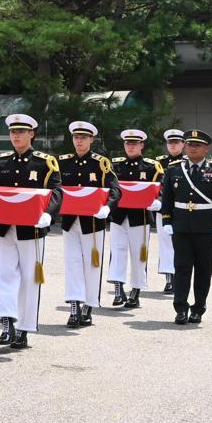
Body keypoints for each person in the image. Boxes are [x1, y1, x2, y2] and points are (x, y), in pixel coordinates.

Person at [0, 114, 63, 349]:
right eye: (12, 132)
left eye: (21, 132)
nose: (16, 136)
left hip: (32, 230)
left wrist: (49, 213)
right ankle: (7, 320)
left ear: (32, 134)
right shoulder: (1, 161)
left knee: (29, 279)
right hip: (4, 227)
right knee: (3, 273)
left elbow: (57, 191)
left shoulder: (44, 162)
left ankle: (24, 328)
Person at [161, 130, 212, 324]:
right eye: (189, 144)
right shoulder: (174, 169)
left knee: (203, 270)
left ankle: (198, 308)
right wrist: (166, 221)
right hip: (181, 227)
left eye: (197, 145)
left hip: (207, 228)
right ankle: (180, 309)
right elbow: (167, 197)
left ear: (206, 148)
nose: (192, 148)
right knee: (181, 269)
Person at [58, 121, 121, 328]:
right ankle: (75, 305)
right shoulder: (63, 162)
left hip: (93, 223)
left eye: (84, 137)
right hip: (69, 221)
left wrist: (108, 207)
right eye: (76, 137)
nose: (79, 140)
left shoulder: (100, 163)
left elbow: (115, 189)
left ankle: (89, 306)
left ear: (91, 139)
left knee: (91, 266)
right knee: (72, 263)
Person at [108, 129, 165, 309]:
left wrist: (159, 201)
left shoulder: (151, 167)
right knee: (117, 251)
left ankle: (136, 291)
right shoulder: (115, 165)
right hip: (119, 216)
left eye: (134, 143)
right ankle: (118, 288)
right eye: (127, 143)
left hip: (139, 217)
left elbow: (162, 188)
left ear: (142, 145)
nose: (130, 146)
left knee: (138, 254)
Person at [156, 129, 186, 292]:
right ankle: (169, 278)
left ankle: (181, 276)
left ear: (183, 144)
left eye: (176, 142)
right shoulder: (159, 163)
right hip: (164, 209)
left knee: (182, 245)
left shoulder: (189, 162)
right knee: (166, 244)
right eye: (170, 142)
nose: (173, 145)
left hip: (183, 210)